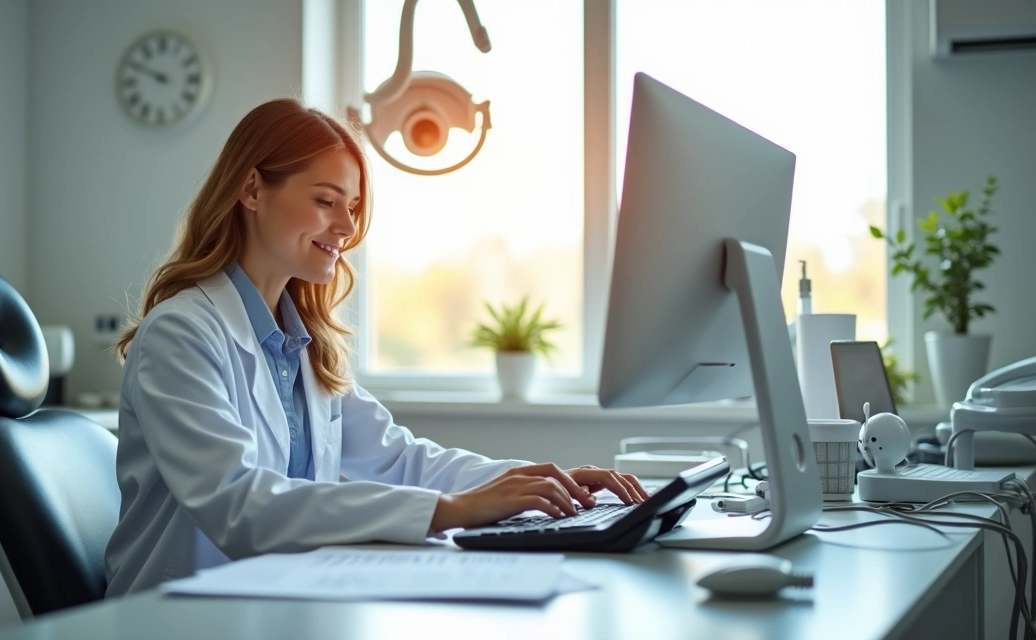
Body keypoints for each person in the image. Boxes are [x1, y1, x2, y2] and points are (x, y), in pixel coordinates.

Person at [104, 98, 647, 596]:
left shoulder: (301, 344)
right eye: (325, 201)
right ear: (250, 191)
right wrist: (452, 510)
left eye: (354, 206)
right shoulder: (180, 335)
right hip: (177, 615)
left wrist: (538, 482)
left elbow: (401, 460)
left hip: (280, 600)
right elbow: (240, 505)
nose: (347, 227)